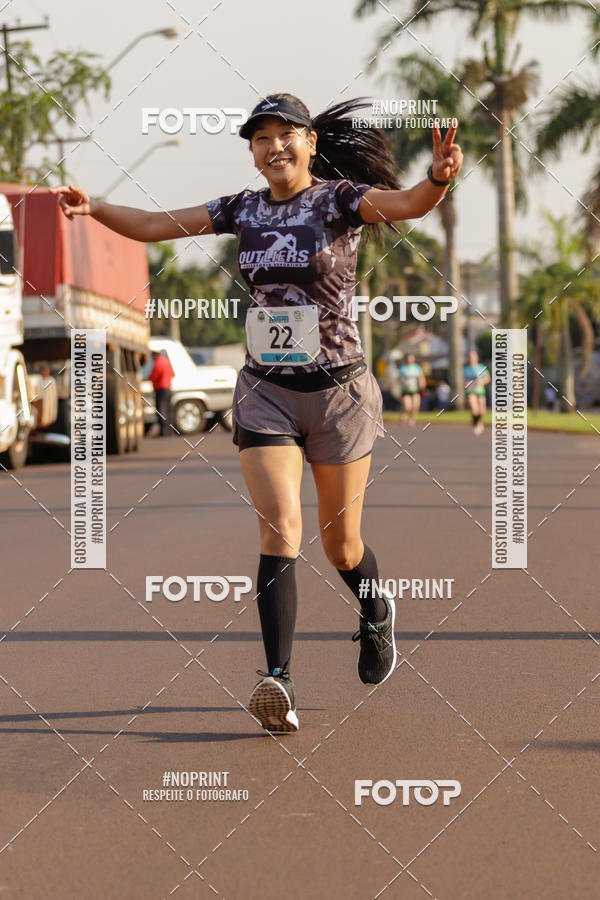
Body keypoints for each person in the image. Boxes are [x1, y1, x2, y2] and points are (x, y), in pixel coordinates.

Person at [52, 94, 463, 734]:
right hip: (266, 390)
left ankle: (376, 606)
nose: (274, 146)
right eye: (261, 137)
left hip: (339, 395)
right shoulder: (240, 209)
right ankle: (279, 680)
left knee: (342, 545)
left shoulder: (340, 199)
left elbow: (408, 204)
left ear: (310, 141)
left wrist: (437, 179)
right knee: (279, 528)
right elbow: (159, 224)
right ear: (251, 150)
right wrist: (97, 207)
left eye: (286, 134)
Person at [148, 349, 175, 436]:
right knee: (168, 411)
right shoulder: (166, 361)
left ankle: (163, 431)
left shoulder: (158, 362)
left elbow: (153, 376)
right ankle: (169, 431)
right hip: (168, 388)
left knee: (161, 411)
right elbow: (172, 374)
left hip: (161, 389)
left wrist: (148, 378)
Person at [464, 349, 490, 435]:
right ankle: (476, 425)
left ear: (476, 358)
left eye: (473, 356)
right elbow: (463, 381)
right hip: (471, 391)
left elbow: (487, 378)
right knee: (475, 409)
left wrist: (481, 382)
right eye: (470, 357)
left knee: (482, 411)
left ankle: (479, 422)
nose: (472, 358)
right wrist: (466, 384)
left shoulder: (480, 368)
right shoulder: (466, 369)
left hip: (480, 391)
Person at [398, 354, 426, 425]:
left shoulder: (417, 368)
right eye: (408, 359)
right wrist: (405, 384)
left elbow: (421, 377)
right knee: (408, 406)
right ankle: (403, 412)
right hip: (405, 390)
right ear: (406, 360)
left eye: (411, 359)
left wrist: (422, 383)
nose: (410, 360)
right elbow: (399, 379)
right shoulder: (402, 368)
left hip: (415, 390)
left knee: (415, 405)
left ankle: (412, 419)